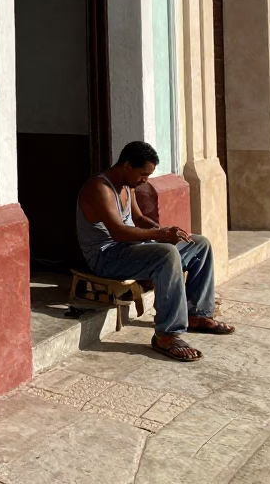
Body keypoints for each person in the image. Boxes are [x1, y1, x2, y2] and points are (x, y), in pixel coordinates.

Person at [76, 140, 234, 362]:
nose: (145, 180)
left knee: (199, 245)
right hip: (106, 257)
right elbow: (118, 232)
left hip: (130, 250)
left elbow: (138, 219)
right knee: (166, 255)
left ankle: (196, 314)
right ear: (127, 165)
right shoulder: (100, 188)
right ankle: (166, 335)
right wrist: (159, 237)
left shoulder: (127, 186)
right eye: (143, 174)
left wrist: (162, 230)